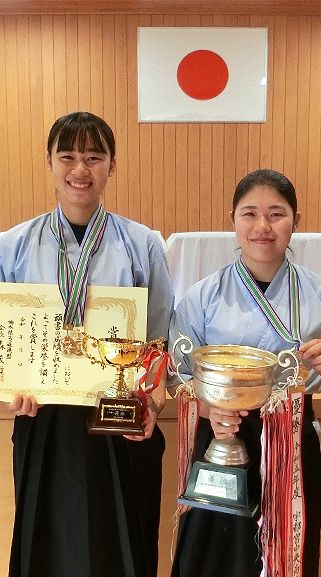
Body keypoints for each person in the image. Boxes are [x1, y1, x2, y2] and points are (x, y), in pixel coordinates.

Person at [0, 112, 173, 577]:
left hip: (116, 414)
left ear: (112, 166)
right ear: (49, 162)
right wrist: (10, 384)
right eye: (68, 156)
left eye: (94, 157)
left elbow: (157, 336)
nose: (80, 169)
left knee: (123, 538)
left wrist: (150, 401)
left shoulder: (142, 244)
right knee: (44, 537)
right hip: (43, 416)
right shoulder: (14, 245)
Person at [170, 169, 321, 576]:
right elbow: (176, 375)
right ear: (232, 220)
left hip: (291, 442)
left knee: (284, 552)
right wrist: (205, 407)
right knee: (212, 554)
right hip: (219, 434)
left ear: (296, 221)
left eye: (277, 213)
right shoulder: (203, 295)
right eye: (250, 213)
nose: (263, 227)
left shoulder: (317, 292)